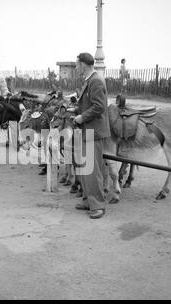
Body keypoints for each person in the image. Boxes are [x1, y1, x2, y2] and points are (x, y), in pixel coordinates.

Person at [72, 52, 110, 219]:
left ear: (83, 65)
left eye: (77, 64)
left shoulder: (95, 80)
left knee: (93, 170)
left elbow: (99, 107)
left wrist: (82, 117)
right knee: (86, 169)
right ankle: (89, 200)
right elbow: (90, 105)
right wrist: (76, 110)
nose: (75, 67)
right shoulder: (90, 80)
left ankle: (98, 206)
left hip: (93, 131)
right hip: (88, 130)